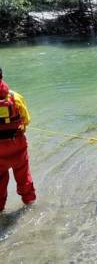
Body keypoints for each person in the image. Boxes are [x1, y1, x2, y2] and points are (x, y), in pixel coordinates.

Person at [0, 68, 36, 212]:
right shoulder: (15, 97)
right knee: (23, 176)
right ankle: (29, 205)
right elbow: (26, 120)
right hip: (17, 147)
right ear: (2, 76)